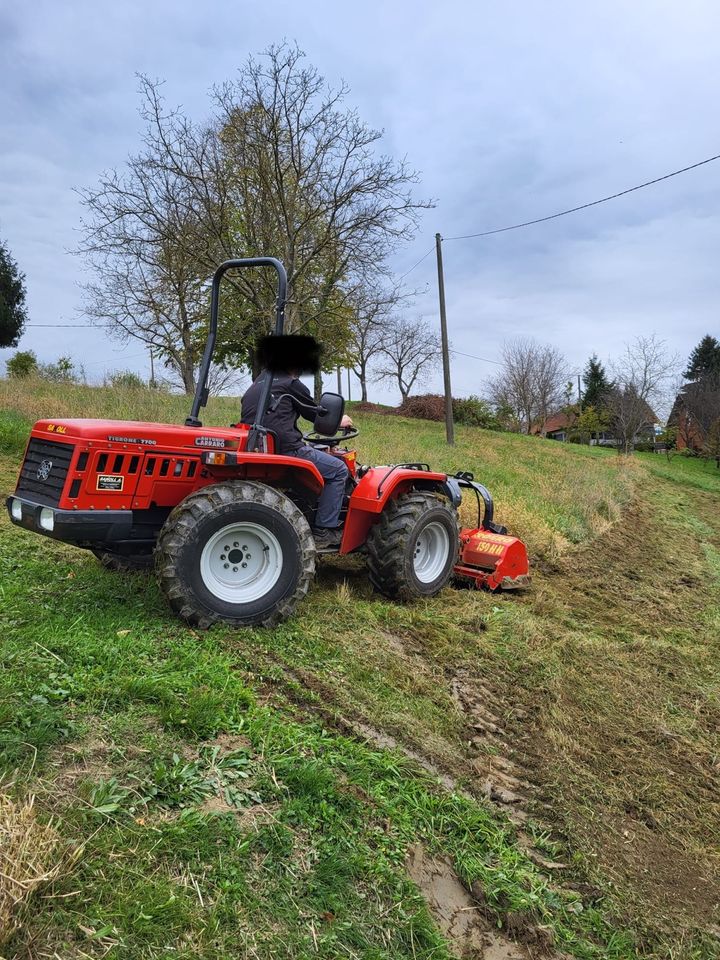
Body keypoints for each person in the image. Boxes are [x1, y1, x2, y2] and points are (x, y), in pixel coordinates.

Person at [241, 339, 353, 549]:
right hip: (288, 449)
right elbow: (317, 415)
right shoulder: (291, 384)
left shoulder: (256, 385)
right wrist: (341, 421)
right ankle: (324, 531)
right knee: (338, 469)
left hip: (263, 446)